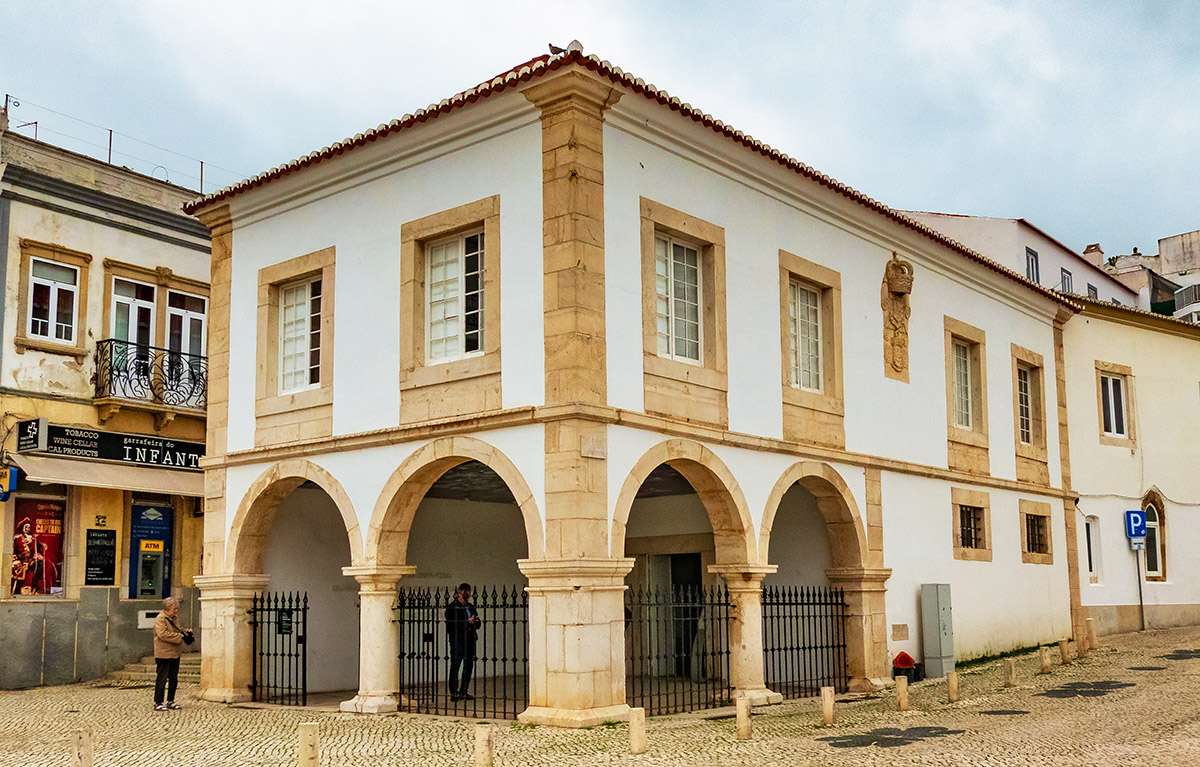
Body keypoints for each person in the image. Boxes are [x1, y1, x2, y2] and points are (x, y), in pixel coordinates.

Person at [152, 596, 192, 711]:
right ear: (168, 608)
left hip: (175, 653)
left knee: (173, 678)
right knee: (162, 678)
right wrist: (180, 637)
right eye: (174, 609)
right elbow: (163, 634)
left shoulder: (174, 618)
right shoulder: (160, 619)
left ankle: (171, 701)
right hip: (163, 653)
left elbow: (177, 629)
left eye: (177, 609)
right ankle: (158, 702)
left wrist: (186, 633)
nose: (176, 611)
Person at [445, 582, 481, 701]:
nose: (467, 594)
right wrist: (467, 621)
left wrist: (474, 621)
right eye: (465, 592)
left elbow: (478, 623)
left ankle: (463, 691)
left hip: (470, 640)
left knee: (468, 666)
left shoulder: (470, 606)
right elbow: (452, 625)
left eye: (468, 592)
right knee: (455, 666)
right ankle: (454, 693)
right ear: (459, 593)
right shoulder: (452, 607)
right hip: (457, 640)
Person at [10, 518, 43, 596]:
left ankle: (34, 587)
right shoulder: (17, 538)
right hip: (20, 559)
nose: (27, 529)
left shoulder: (33, 538)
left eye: (28, 527)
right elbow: (15, 550)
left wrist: (37, 555)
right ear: (22, 527)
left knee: (39, 564)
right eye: (26, 527)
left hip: (30, 559)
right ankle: (18, 589)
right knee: (17, 566)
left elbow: (38, 548)